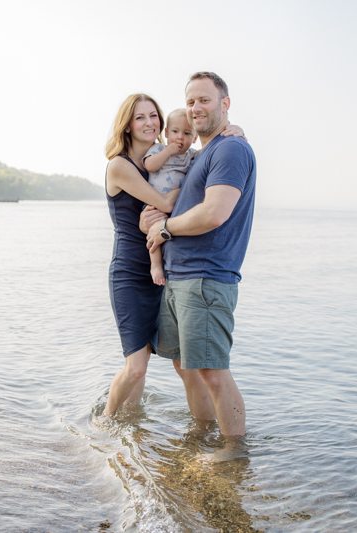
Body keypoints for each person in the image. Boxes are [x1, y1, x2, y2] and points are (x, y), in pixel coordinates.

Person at [102, 94, 245, 418]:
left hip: (165, 271)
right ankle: (106, 421)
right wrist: (173, 199)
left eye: (154, 115)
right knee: (136, 365)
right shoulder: (120, 165)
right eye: (140, 117)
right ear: (127, 124)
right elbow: (166, 205)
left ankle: (133, 423)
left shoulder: (169, 159)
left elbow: (199, 147)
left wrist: (232, 128)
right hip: (132, 272)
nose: (150, 122)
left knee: (175, 364)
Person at [145, 72, 256, 437]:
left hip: (207, 277)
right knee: (185, 366)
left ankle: (233, 453)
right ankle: (201, 432)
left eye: (204, 100)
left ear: (224, 104)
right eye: (190, 101)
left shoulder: (231, 149)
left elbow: (214, 213)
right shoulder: (202, 153)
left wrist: (165, 228)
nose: (195, 108)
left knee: (211, 369)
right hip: (180, 277)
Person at [142, 108, 198, 286]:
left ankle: (172, 265)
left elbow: (211, 150)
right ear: (166, 133)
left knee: (172, 232)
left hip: (176, 207)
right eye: (175, 131)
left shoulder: (191, 156)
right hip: (154, 204)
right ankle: (156, 265)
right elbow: (150, 165)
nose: (180, 137)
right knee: (153, 231)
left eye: (187, 133)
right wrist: (168, 151)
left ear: (195, 138)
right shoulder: (158, 149)